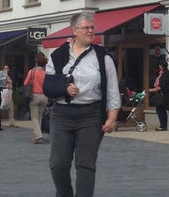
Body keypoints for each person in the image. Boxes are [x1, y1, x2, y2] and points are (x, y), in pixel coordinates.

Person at [44, 12, 120, 197]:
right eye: (86, 28)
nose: (90, 31)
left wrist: (111, 118)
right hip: (62, 114)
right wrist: (64, 88)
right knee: (58, 164)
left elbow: (112, 91)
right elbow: (48, 86)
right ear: (74, 30)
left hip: (90, 115)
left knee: (85, 165)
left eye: (92, 28)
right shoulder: (58, 55)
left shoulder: (103, 57)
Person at [24, 53, 48, 144]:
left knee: (34, 117)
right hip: (44, 96)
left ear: (36, 61)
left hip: (34, 96)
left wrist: (31, 81)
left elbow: (25, 83)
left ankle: (38, 136)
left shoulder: (32, 71)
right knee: (40, 117)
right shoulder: (47, 73)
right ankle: (35, 136)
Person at [149, 60, 169, 131]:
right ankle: (163, 125)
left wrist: (152, 90)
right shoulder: (162, 73)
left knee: (161, 110)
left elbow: (162, 86)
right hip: (162, 94)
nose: (159, 67)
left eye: (159, 65)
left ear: (162, 66)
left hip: (163, 95)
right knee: (160, 110)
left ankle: (163, 126)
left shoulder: (165, 74)